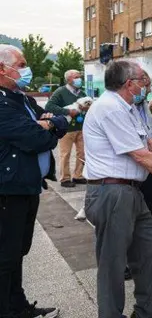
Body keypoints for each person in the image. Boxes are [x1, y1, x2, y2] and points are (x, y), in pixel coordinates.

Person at [82, 59, 152, 318]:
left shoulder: (128, 108)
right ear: (129, 84)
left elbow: (148, 144)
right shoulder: (110, 108)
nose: (145, 85)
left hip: (131, 190)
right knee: (112, 263)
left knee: (149, 253)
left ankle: (148, 311)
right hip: (111, 192)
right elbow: (140, 156)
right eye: (141, 80)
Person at [0, 44, 63, 318]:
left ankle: (18, 306)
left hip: (27, 186)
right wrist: (45, 127)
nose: (26, 69)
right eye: (21, 64)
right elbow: (34, 138)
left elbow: (57, 120)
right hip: (7, 190)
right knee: (5, 255)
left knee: (18, 251)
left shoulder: (21, 98)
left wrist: (49, 123)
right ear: (2, 69)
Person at [45, 69, 88, 188]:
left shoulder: (82, 93)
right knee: (65, 154)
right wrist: (67, 111)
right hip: (66, 128)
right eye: (76, 77)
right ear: (68, 79)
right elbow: (49, 106)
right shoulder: (60, 92)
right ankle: (65, 178)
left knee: (82, 153)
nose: (79, 79)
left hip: (81, 127)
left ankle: (78, 176)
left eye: (79, 77)